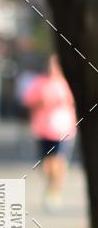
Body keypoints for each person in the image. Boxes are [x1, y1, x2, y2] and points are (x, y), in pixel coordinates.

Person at [22, 53, 77, 210]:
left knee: (59, 160)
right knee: (46, 162)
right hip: (43, 129)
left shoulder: (67, 83)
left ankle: (55, 190)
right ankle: (51, 185)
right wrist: (40, 102)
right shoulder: (40, 83)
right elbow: (28, 101)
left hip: (63, 129)